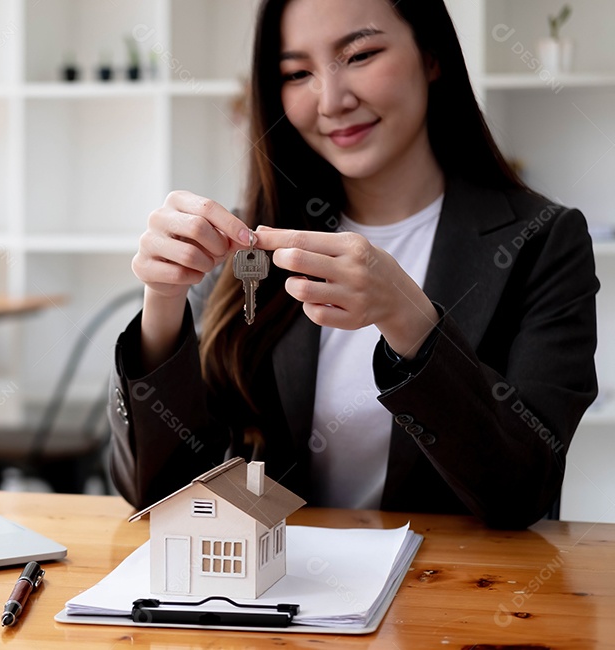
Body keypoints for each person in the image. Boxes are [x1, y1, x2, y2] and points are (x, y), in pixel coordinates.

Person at [108, 0, 598, 529]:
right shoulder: (251, 240)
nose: (332, 100)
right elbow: (158, 494)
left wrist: (409, 320)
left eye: (360, 55)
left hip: (457, 598)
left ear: (432, 58)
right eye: (298, 73)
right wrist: (162, 303)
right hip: (288, 599)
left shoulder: (544, 240)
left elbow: (523, 490)